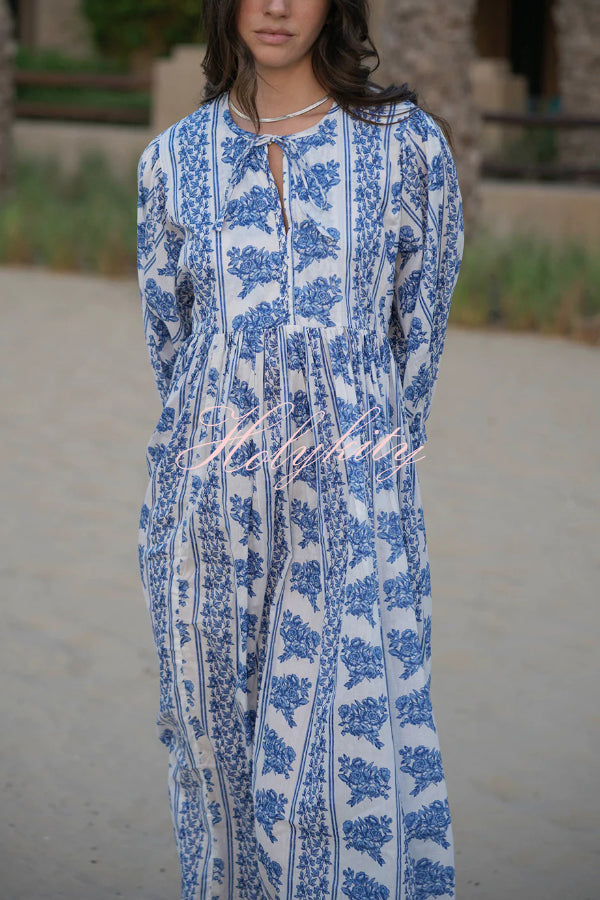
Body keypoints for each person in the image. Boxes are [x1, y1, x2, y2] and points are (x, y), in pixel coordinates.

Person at [136, 0, 464, 897]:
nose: (277, 5)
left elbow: (419, 338)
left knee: (348, 767)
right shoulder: (172, 161)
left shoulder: (406, 149)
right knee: (217, 762)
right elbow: (171, 349)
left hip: (351, 503)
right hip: (207, 514)